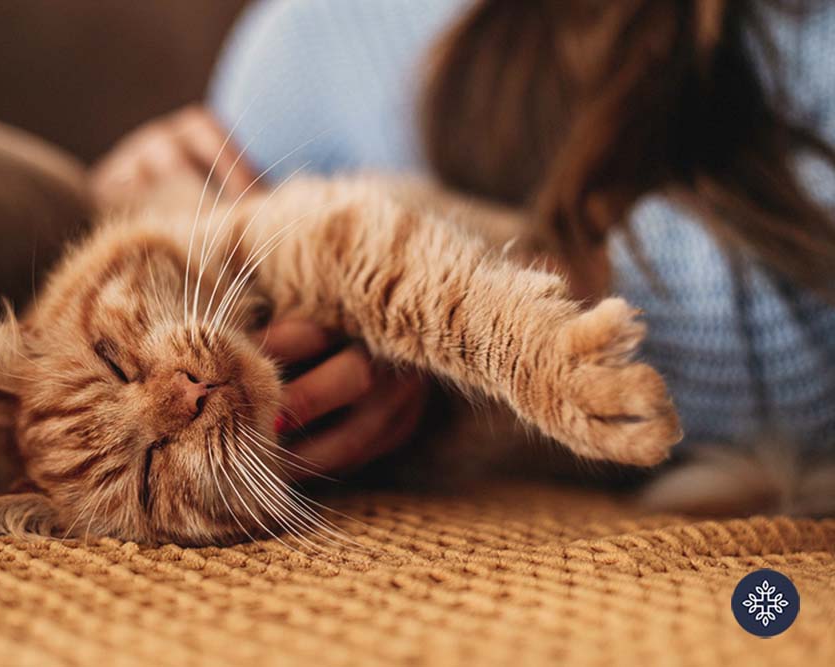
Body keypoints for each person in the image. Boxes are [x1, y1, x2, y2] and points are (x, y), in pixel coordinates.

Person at [90, 0, 835, 479]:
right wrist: (126, 196)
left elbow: (810, 315)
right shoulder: (296, 45)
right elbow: (202, 223)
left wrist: (431, 322)